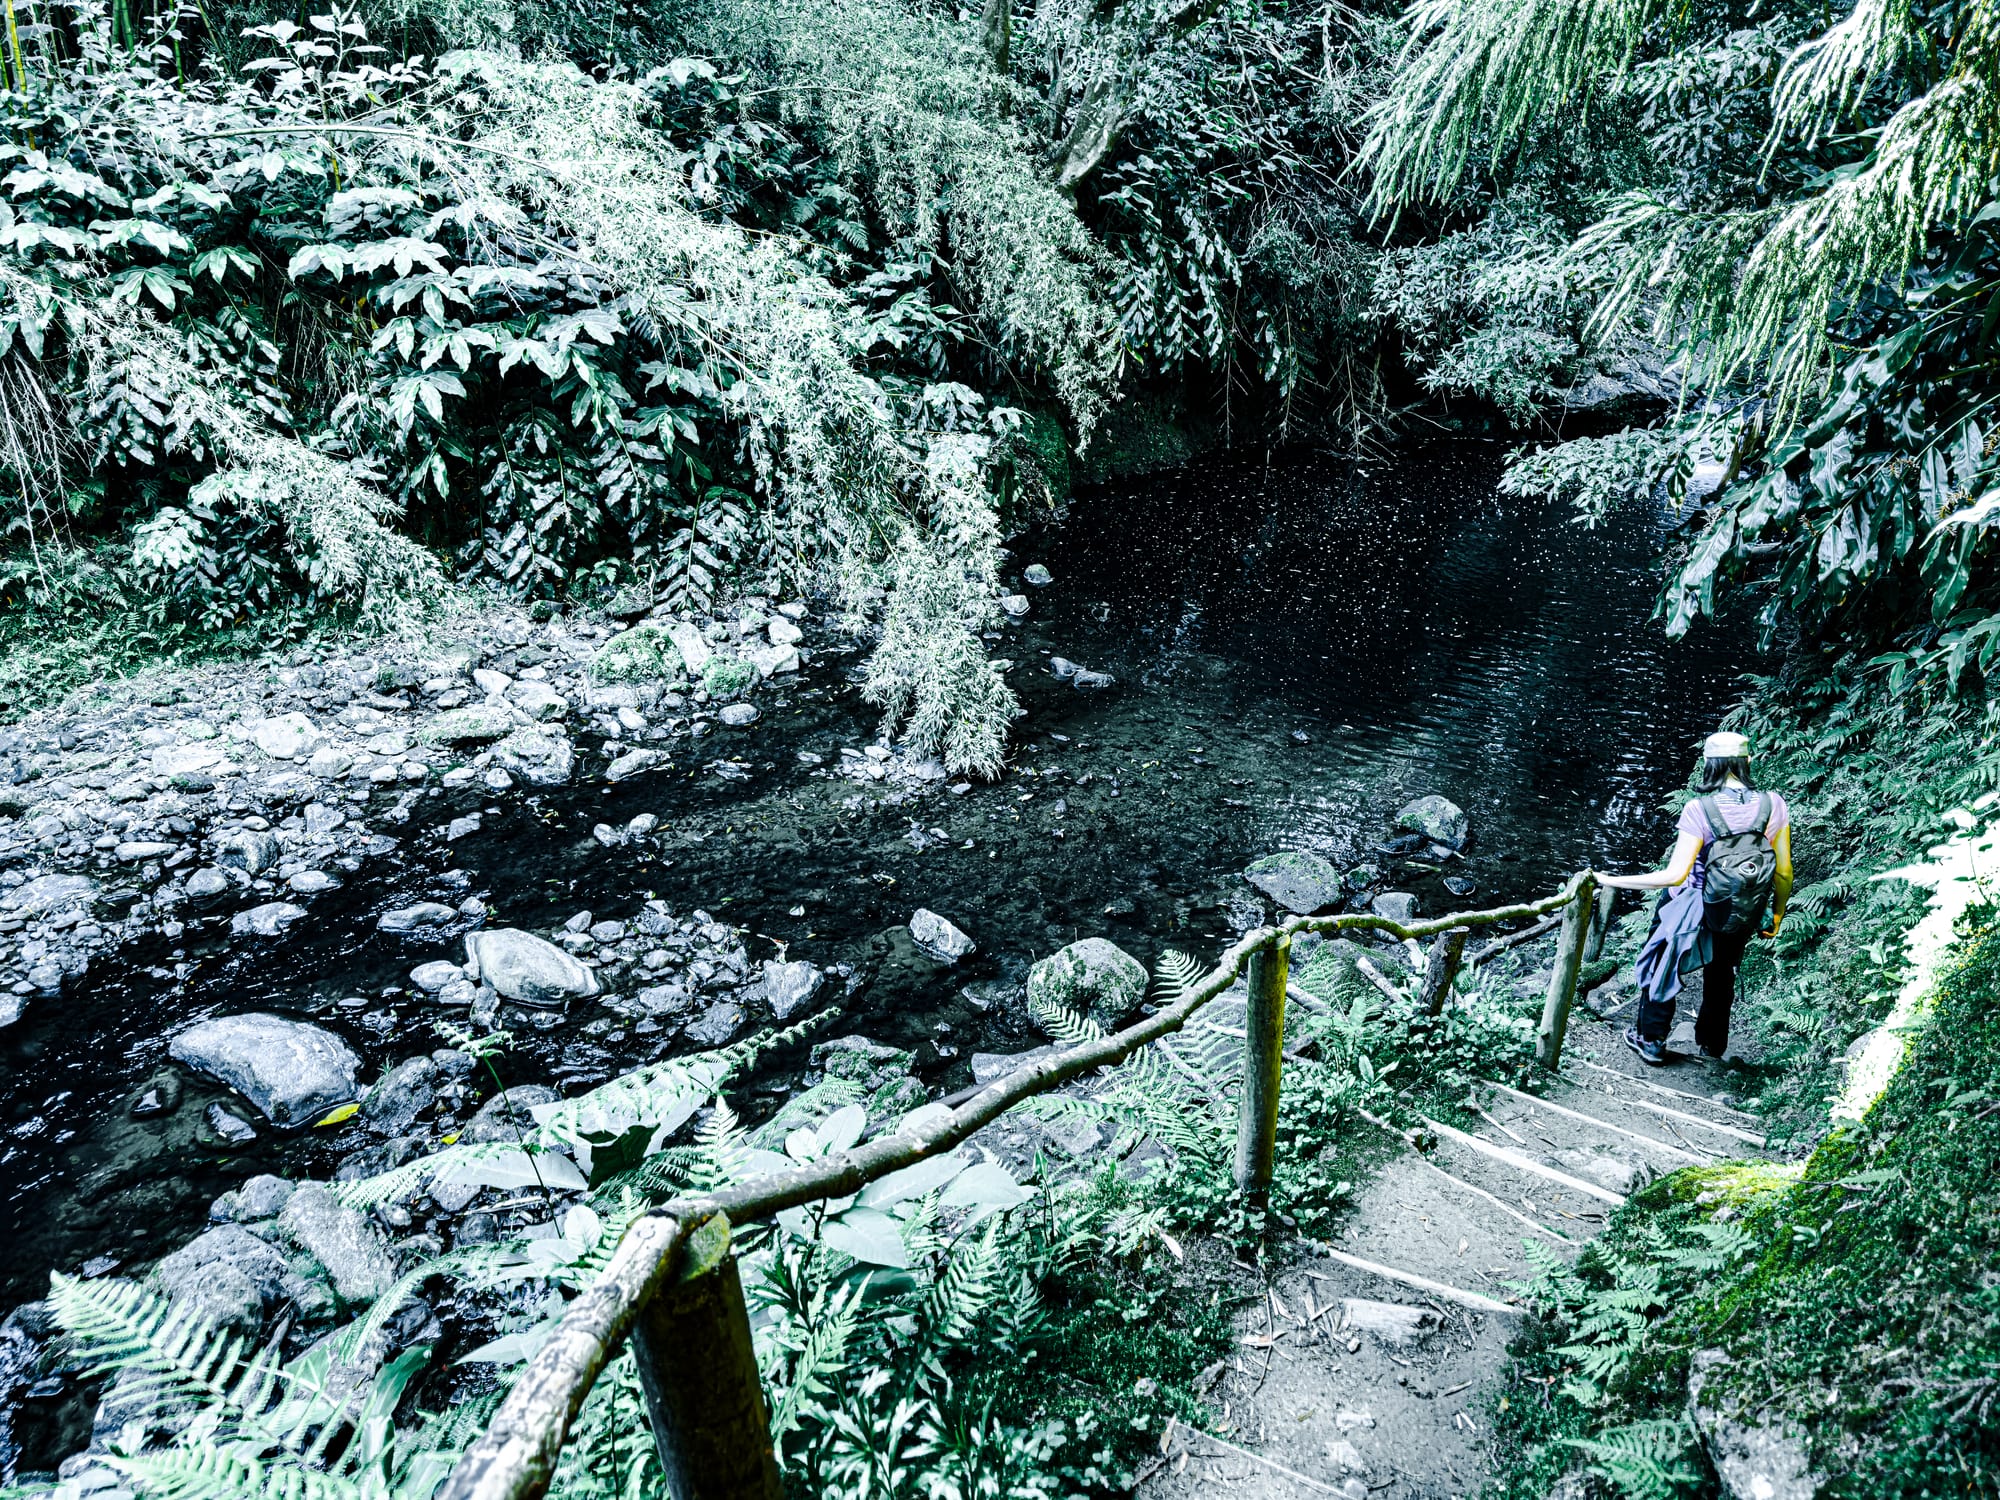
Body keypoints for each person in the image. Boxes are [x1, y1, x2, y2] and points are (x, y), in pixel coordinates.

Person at [1593, 730, 1792, 1065]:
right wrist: (1776, 915)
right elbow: (1784, 872)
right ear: (1747, 762)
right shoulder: (1774, 805)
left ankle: (1650, 1039)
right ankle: (1713, 1045)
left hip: (1691, 903)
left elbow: (1675, 875)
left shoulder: (1699, 809)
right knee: (1722, 971)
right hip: (1742, 906)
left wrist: (1611, 879)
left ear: (1708, 764)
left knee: (1664, 964)